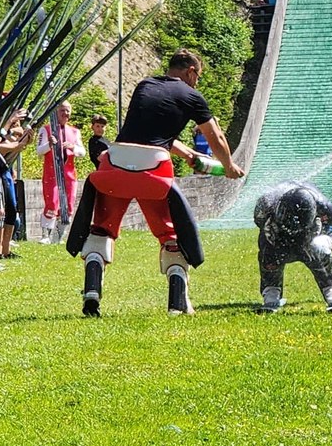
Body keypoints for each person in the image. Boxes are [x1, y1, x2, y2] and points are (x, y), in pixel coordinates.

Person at [65, 51, 244, 317]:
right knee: (169, 233)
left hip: (115, 161)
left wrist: (188, 155)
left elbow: (148, 135)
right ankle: (177, 302)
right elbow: (215, 136)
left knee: (102, 228)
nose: (197, 82)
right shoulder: (192, 96)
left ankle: (92, 290)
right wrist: (228, 166)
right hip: (154, 171)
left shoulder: (145, 85)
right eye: (198, 76)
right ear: (191, 71)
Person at [253, 181, 332, 313]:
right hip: (278, 230)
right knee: (269, 248)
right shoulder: (266, 203)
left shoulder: (324, 206)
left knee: (319, 248)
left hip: (311, 233)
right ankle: (271, 293)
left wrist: (324, 245)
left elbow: (330, 227)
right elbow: (261, 224)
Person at [35, 103, 80, 244]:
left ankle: (59, 236)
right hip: (51, 173)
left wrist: (73, 147)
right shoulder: (46, 129)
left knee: (69, 204)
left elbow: (82, 151)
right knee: (52, 202)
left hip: (69, 174)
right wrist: (49, 144)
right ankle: (46, 235)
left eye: (67, 111)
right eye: (62, 110)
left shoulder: (74, 132)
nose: (65, 113)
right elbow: (39, 151)